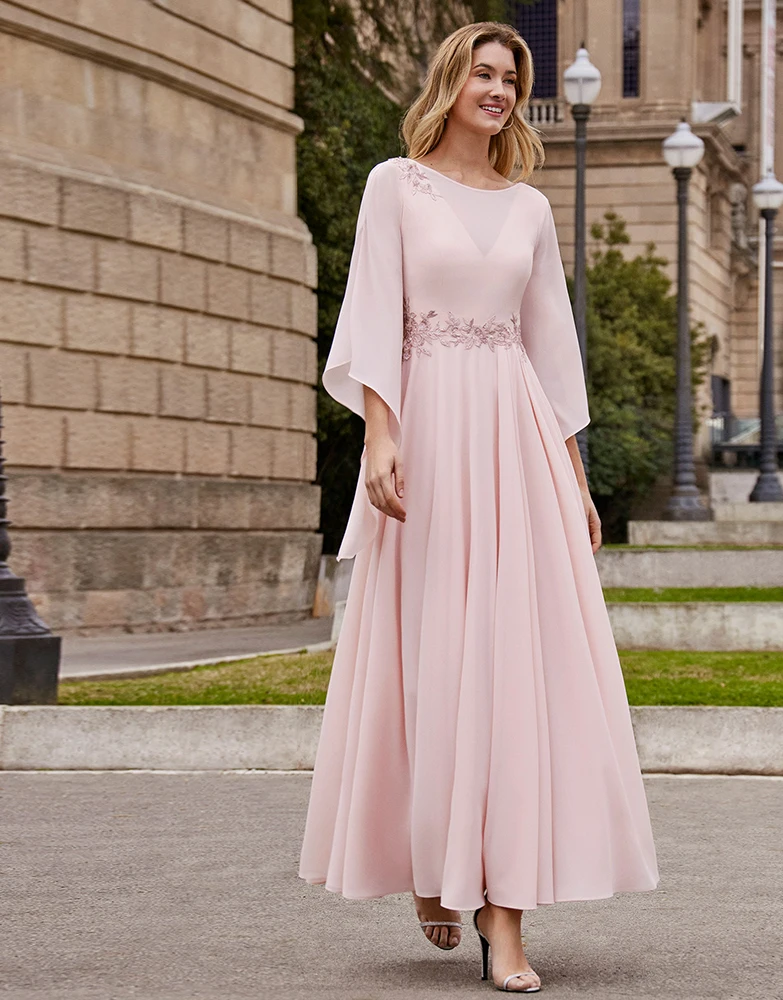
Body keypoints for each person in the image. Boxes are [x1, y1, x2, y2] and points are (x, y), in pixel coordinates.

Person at [298, 20, 659, 993]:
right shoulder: (394, 186)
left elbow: (550, 353)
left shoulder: (531, 209)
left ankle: (506, 918)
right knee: (434, 657)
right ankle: (431, 864)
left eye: (511, 77)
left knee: (510, 669)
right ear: (450, 82)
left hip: (514, 447)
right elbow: (374, 312)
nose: (497, 90)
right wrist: (381, 434)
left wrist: (574, 480)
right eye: (483, 74)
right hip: (429, 438)